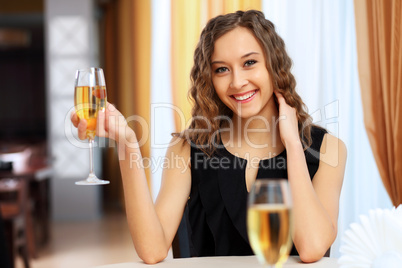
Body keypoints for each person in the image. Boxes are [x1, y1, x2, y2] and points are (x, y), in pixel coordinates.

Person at [71, 10, 346, 264]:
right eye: (222, 69)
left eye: (249, 63)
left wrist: (293, 147)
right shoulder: (187, 149)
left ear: (274, 66)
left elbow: (312, 248)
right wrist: (127, 143)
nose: (237, 82)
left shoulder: (328, 150)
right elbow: (152, 250)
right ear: (210, 78)